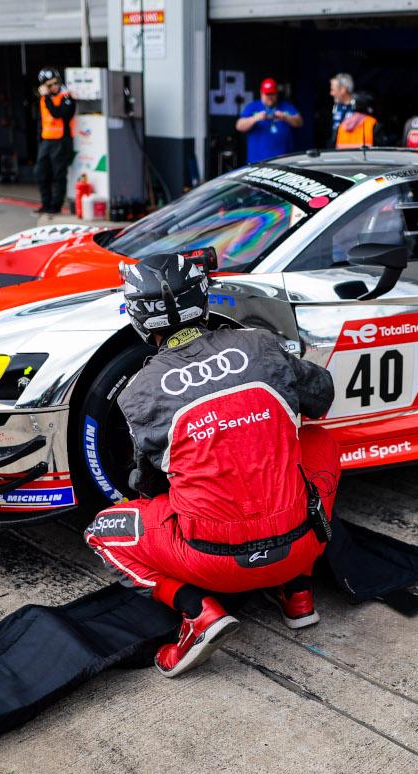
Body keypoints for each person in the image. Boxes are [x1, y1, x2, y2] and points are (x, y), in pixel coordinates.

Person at [84, 249, 340, 677]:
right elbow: (322, 398)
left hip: (211, 565)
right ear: (203, 297)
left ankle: (197, 613)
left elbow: (148, 486)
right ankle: (297, 591)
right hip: (303, 542)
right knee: (318, 441)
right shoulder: (261, 345)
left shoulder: (138, 392)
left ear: (137, 317)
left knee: (101, 531)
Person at [33, 67, 75, 215]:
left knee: (59, 175)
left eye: (56, 83)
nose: (54, 86)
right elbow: (41, 120)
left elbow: (58, 114)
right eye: (49, 85)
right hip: (46, 141)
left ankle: (56, 206)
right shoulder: (44, 99)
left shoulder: (66, 97)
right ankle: (45, 203)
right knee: (40, 173)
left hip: (60, 141)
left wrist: (46, 98)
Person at [235, 77, 303, 163]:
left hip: (283, 160)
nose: (270, 97)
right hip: (258, 161)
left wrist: (285, 117)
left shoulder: (286, 106)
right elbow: (239, 126)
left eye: (272, 94)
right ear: (261, 93)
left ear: (276, 93)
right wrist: (256, 118)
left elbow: (299, 122)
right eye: (267, 94)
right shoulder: (252, 107)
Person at [328, 73, 355, 148]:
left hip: (355, 153)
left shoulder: (359, 108)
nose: (331, 93)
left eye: (333, 90)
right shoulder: (336, 107)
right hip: (337, 152)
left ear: (343, 89)